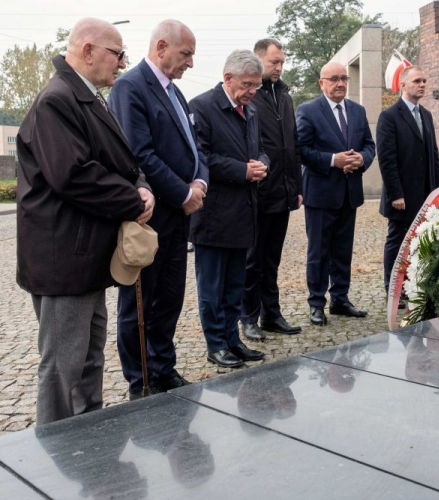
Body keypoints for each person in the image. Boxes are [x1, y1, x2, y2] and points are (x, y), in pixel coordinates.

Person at [16, 18, 154, 424]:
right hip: (62, 260)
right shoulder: (57, 99)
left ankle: (88, 439)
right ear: (88, 49)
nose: (123, 63)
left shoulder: (88, 97)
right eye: (117, 53)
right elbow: (73, 175)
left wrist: (142, 187)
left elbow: (123, 161)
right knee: (62, 368)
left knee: (90, 359)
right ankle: (53, 455)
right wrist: (133, 199)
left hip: (86, 257)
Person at [109, 19, 208, 399]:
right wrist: (183, 193)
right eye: (186, 54)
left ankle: (164, 368)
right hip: (152, 217)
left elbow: (194, 147)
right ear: (162, 47)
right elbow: (140, 155)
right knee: (140, 303)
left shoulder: (175, 93)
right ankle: (141, 379)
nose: (191, 64)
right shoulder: (131, 86)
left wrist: (199, 183)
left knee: (169, 298)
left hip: (179, 216)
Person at [188, 50, 269, 368]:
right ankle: (215, 344)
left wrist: (262, 165)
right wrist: (242, 171)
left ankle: (233, 340)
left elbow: (261, 150)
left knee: (235, 284)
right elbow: (201, 158)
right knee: (212, 286)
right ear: (228, 78)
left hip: (244, 213)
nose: (252, 92)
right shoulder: (202, 107)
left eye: (256, 86)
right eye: (248, 85)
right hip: (213, 215)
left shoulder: (251, 112)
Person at [296, 62, 376, 326]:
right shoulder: (308, 110)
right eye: (334, 79)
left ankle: (340, 299)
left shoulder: (357, 110)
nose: (340, 83)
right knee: (319, 252)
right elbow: (301, 150)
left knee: (343, 250)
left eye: (344, 78)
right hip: (320, 194)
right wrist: (333, 160)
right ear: (322, 82)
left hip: (349, 192)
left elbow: (368, 144)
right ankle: (316, 303)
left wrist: (361, 160)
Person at [239, 39, 303, 341]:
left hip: (283, 191)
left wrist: (297, 186)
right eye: (274, 62)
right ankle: (248, 317)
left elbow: (292, 143)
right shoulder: (249, 96)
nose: (279, 67)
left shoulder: (285, 96)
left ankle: (271, 314)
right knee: (253, 260)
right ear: (259, 59)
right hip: (258, 192)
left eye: (281, 62)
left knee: (272, 260)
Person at [376, 66, 439, 307]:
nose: (422, 84)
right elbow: (386, 158)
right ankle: (393, 289)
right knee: (397, 241)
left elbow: (433, 155)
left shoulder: (426, 114)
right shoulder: (389, 116)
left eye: (425, 80)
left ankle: (415, 284)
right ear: (403, 85)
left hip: (426, 193)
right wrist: (396, 193)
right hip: (402, 196)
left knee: (421, 241)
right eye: (417, 80)